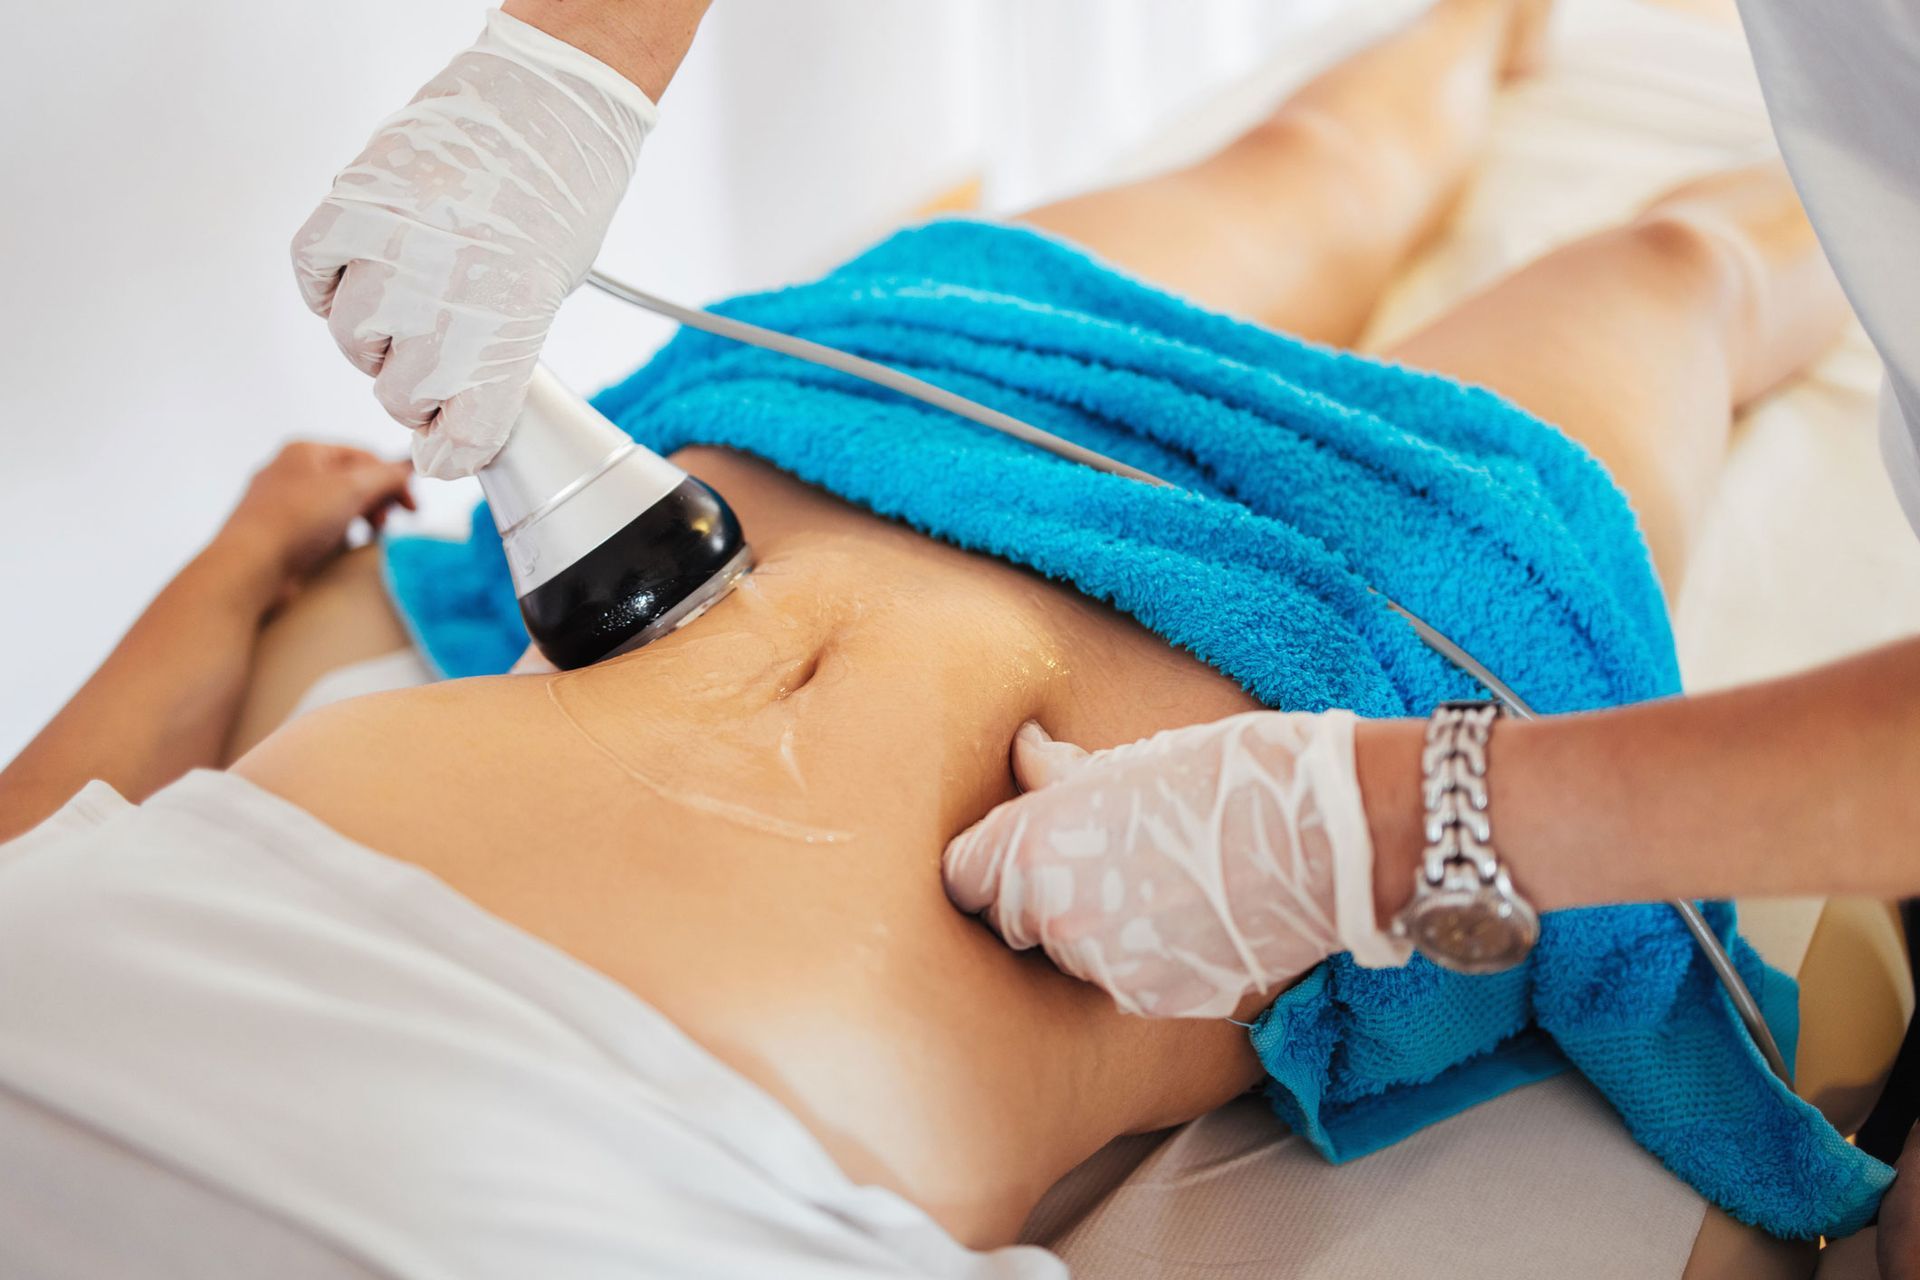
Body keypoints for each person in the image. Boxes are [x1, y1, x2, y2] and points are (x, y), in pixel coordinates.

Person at [0, 0, 1887, 1273]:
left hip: (838, 421)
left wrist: (224, 571)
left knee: (1323, 161)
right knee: (1673, 280)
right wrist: (1382, 829)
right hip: (1357, 668)